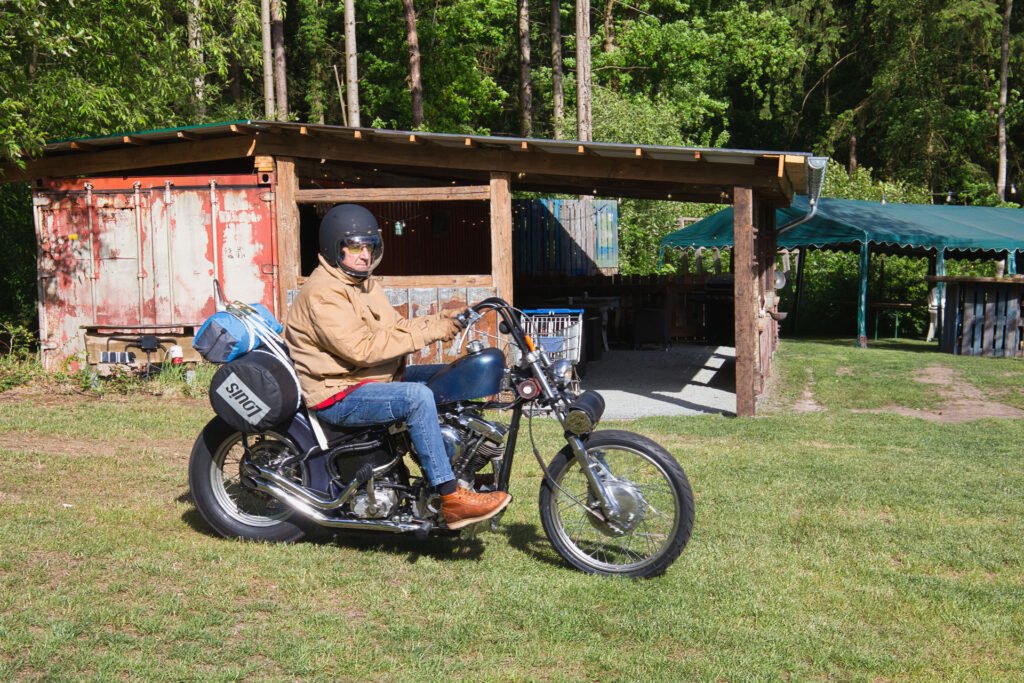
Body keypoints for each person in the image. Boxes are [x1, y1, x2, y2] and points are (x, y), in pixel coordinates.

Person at [284, 204, 511, 529]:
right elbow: (361, 349)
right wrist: (431, 331)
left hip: (367, 379)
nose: (364, 255)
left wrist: (441, 321)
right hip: (337, 391)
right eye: (355, 247)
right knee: (417, 397)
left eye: (370, 246)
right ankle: (450, 497)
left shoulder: (362, 284)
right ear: (335, 249)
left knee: (448, 378)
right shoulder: (324, 293)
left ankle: (464, 467)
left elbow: (396, 328)